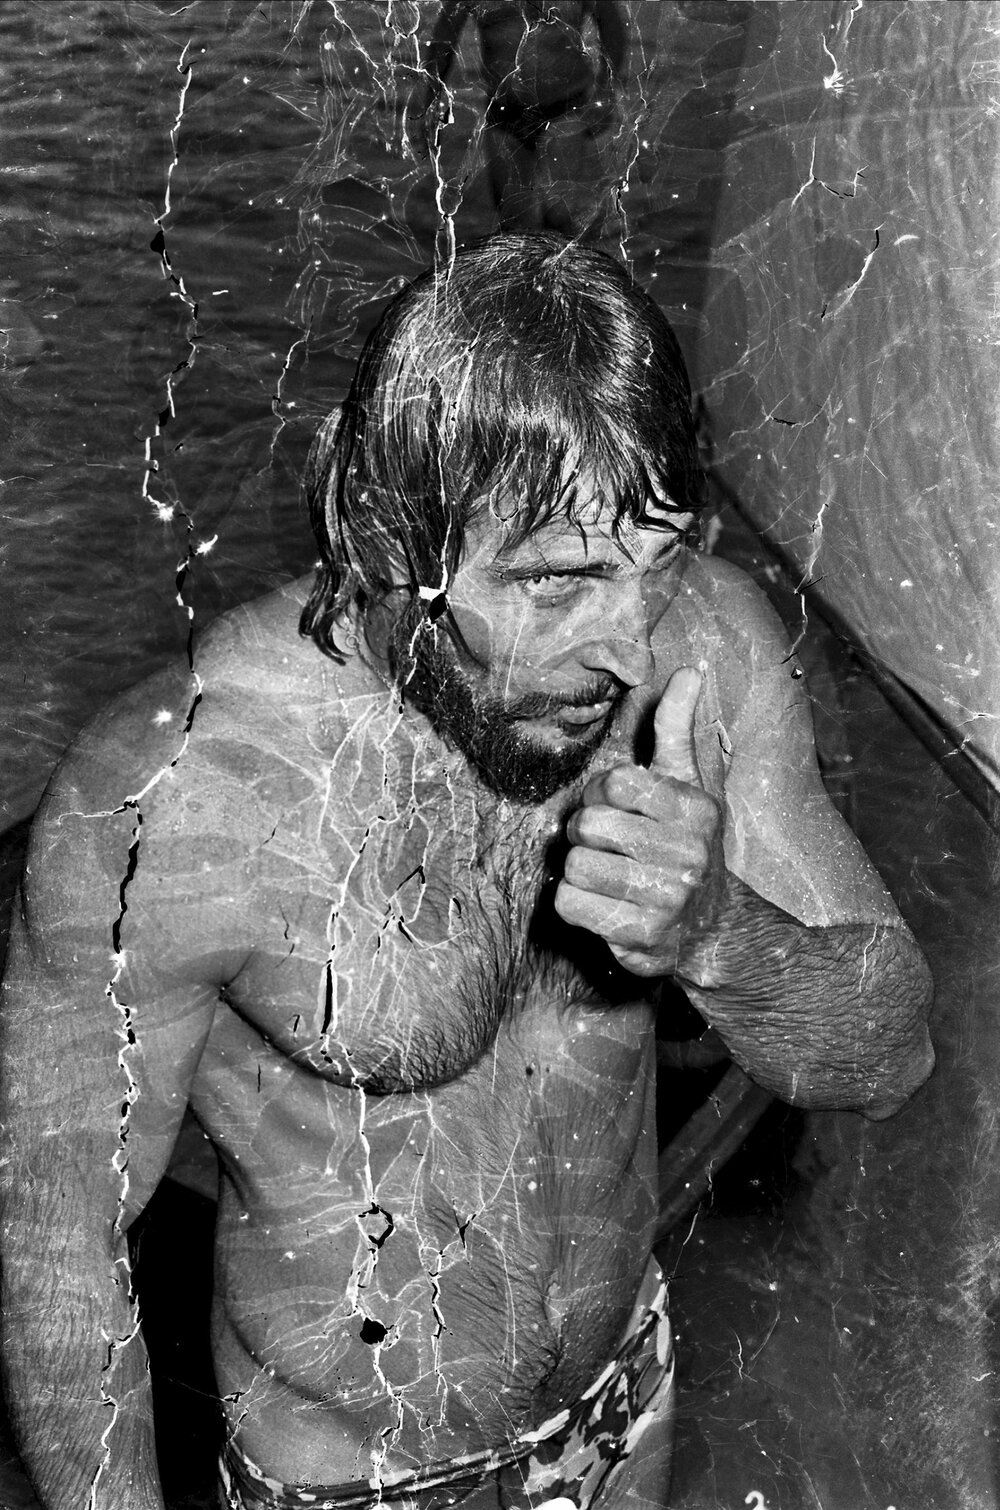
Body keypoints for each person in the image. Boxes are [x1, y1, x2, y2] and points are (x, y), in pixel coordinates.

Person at [0, 233, 934, 1510]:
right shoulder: (175, 798)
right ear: (391, 542)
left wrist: (720, 934)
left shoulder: (704, 648)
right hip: (350, 1488)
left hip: (620, 1415)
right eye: (557, 582)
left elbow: (888, 1060)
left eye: (650, 567)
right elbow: (62, 1262)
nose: (622, 643)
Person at [414, 2, 628, 231]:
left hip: (565, 107)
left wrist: (606, 89)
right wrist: (430, 103)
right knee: (514, 224)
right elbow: (445, 34)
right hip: (505, 113)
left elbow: (611, 25)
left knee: (560, 218)